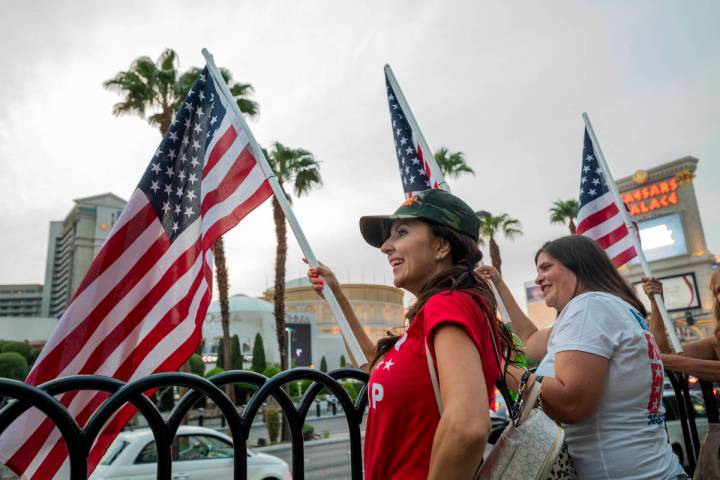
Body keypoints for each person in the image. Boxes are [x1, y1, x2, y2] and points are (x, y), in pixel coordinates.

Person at [306, 189, 519, 480]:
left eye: (401, 233)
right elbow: (377, 368)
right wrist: (337, 298)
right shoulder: (433, 312)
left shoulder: (448, 305)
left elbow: (467, 425)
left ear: (442, 246)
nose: (386, 247)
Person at [477, 235, 686, 480]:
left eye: (546, 267)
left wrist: (501, 366)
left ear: (578, 266)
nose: (538, 278)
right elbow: (531, 340)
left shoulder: (589, 307)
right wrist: (499, 286)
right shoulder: (613, 308)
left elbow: (572, 403)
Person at [642, 270, 720, 380]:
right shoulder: (715, 342)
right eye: (719, 290)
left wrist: (673, 361)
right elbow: (662, 352)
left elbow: (665, 358)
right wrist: (656, 301)